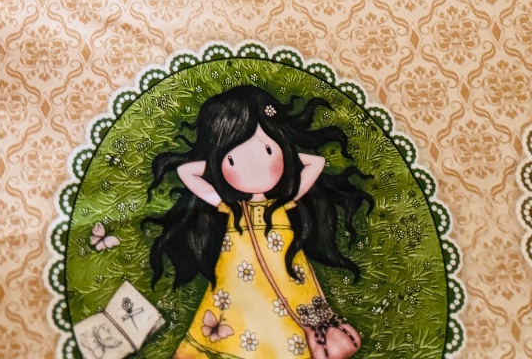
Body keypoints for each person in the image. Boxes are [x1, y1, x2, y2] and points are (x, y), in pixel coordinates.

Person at [146, 85, 371, 359]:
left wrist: (285, 155)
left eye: (267, 150)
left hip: (286, 277)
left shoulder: (282, 203)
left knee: (286, 325)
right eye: (232, 159)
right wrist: (217, 163)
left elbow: (317, 162)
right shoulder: (231, 207)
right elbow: (186, 171)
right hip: (235, 286)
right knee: (233, 321)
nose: (254, 168)